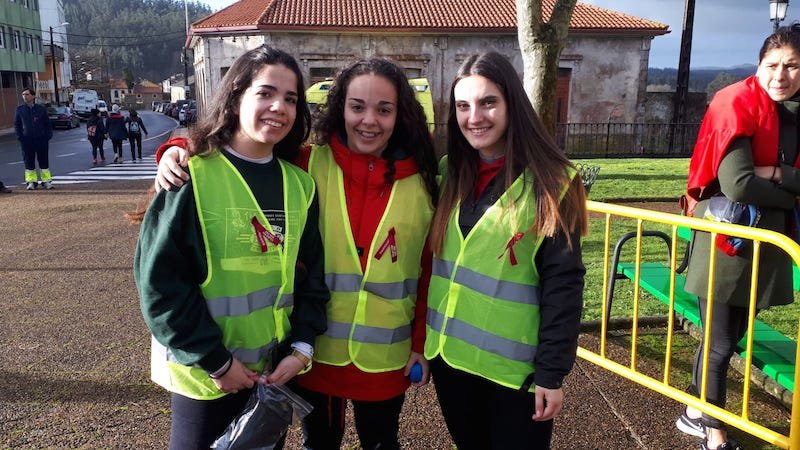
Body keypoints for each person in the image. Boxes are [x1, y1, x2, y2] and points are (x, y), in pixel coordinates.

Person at [155, 57, 439, 450]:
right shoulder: (307, 162)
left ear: (401, 114)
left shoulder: (424, 181)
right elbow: (244, 150)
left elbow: (428, 272)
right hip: (314, 356)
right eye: (357, 106)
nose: (368, 120)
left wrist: (420, 343)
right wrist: (177, 148)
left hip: (383, 357)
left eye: (384, 109)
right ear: (340, 108)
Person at [132, 45, 329, 450]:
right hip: (206, 377)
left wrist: (302, 348)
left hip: (270, 373)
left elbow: (311, 277)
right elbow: (160, 286)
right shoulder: (190, 176)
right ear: (236, 96)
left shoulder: (300, 185)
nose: (279, 107)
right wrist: (217, 362)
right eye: (266, 93)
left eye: (291, 98)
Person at [424, 52, 587, 450]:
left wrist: (551, 373)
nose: (474, 117)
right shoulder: (449, 173)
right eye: (463, 106)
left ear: (512, 105)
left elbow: (563, 287)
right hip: (452, 361)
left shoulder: (554, 183)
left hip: (516, 375)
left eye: (488, 102)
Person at [678, 25, 800, 450]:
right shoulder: (738, 102)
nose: (780, 75)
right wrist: (790, 193)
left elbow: (762, 177)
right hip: (726, 241)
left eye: (792, 65)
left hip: (763, 245)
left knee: (727, 340)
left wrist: (780, 174)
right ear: (758, 66)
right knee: (720, 342)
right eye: (772, 65)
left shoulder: (792, 114)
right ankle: (715, 435)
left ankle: (694, 411)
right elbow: (738, 183)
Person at [14, 87, 53, 190]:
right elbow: (17, 124)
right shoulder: (20, 109)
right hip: (27, 140)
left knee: (43, 160)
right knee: (28, 161)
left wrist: (48, 135)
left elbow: (47, 123)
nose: (24, 97)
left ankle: (46, 181)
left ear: (33, 96)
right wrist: (20, 137)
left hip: (41, 139)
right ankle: (31, 182)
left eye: (27, 94)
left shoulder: (41, 109)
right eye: (23, 95)